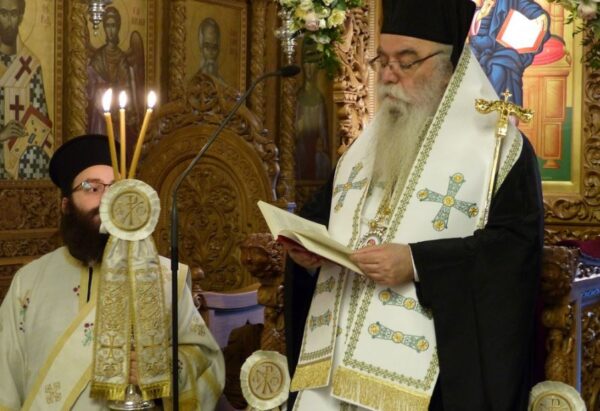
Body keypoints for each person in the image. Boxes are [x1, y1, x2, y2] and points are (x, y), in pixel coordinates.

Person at [284, 0, 543, 410]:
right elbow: (322, 217)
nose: (389, 75)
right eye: (382, 61)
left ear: (449, 66)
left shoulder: (500, 151)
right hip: (334, 369)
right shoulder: (363, 149)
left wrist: (417, 263)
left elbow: (513, 253)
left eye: (406, 62)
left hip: (434, 380)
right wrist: (306, 250)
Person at [0, 134, 225, 410]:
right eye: (92, 188)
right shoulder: (29, 282)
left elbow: (208, 363)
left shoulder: (164, 277)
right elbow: (4, 377)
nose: (107, 200)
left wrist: (164, 370)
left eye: (115, 187)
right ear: (66, 204)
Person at [0, 0, 53, 180]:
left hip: (24, 159)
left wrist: (23, 140)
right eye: (3, 13)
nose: (8, 21)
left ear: (21, 17)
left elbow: (41, 124)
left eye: (13, 14)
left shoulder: (30, 65)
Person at [87, 6, 145, 154]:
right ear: (104, 28)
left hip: (118, 114)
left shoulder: (122, 59)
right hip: (99, 114)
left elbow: (127, 88)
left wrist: (127, 110)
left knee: (116, 152)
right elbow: (89, 88)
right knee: (99, 150)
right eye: (108, 26)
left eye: (113, 26)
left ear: (118, 27)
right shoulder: (98, 58)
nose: (110, 30)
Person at [469, 0, 550, 107]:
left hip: (501, 46)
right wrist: (479, 15)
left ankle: (499, 111)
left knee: (500, 66)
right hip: (476, 45)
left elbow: (525, 5)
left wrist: (540, 15)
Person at [197, 17, 224, 82]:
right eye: (207, 46)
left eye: (214, 47)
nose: (211, 52)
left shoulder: (222, 84)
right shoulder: (194, 82)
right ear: (201, 49)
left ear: (218, 50)